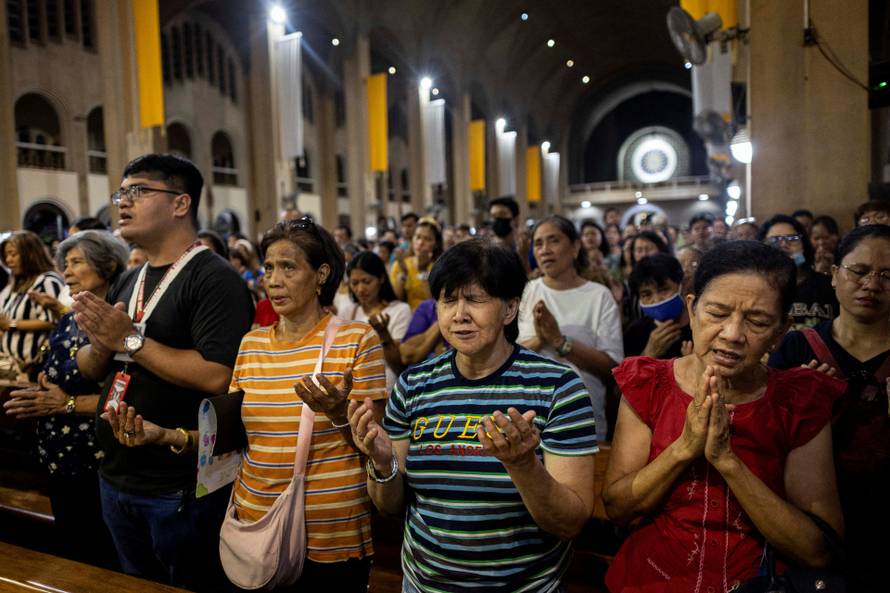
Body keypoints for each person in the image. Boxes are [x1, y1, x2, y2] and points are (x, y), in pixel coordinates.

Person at [347, 239, 598, 592]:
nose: (459, 314)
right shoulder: (415, 384)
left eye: (475, 299)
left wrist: (523, 466)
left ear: (510, 309)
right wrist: (382, 461)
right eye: (448, 300)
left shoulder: (557, 387)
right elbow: (389, 505)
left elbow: (570, 522)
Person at [603, 240, 846, 592]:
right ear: (692, 308)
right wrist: (685, 448)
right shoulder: (648, 384)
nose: (732, 334)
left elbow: (817, 551)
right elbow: (617, 508)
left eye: (757, 321)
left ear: (781, 331)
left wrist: (727, 461)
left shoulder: (798, 401)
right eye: (717, 313)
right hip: (651, 578)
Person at [71, 153, 254, 592]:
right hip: (115, 473)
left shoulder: (214, 279)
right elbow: (90, 369)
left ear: (180, 204)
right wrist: (100, 340)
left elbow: (217, 375)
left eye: (138, 191)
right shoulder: (129, 278)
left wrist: (129, 340)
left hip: (177, 485)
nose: (122, 202)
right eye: (122, 192)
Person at [228, 218, 387, 591]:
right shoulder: (251, 343)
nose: (274, 279)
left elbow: (374, 446)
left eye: (288, 266)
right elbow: (237, 434)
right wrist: (170, 436)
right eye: (268, 267)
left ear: (321, 274)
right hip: (256, 520)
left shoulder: (357, 340)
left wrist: (337, 414)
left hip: (329, 532)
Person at [768, 224, 890, 593]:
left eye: (887, 275)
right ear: (834, 275)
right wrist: (796, 401)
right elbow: (763, 438)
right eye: (860, 271)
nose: (872, 284)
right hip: (809, 528)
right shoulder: (795, 349)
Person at [5, 230, 127, 569]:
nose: (67, 272)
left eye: (76, 263)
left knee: (101, 556)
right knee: (76, 550)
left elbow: (119, 390)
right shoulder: (70, 317)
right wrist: (42, 383)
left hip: (94, 457)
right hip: (59, 457)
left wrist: (65, 402)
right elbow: (56, 367)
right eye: (65, 264)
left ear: (107, 267)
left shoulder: (117, 322)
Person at [518, 215, 623, 441]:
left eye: (553, 240)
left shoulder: (598, 296)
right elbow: (507, 353)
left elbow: (613, 368)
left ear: (575, 247)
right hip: (526, 420)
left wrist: (560, 342)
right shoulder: (526, 292)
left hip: (581, 417)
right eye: (538, 243)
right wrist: (539, 339)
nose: (545, 250)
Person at [341, 251, 411, 389]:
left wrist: (384, 334)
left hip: (387, 391)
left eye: (366, 282)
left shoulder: (399, 310)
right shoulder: (348, 312)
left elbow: (399, 366)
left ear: (381, 279)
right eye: (354, 283)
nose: (360, 289)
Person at [0, 230, 64, 379]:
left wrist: (12, 324)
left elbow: (51, 321)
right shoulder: (17, 282)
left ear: (30, 254)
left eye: (13, 254)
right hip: (13, 364)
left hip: (37, 367)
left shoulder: (47, 281)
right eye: (6, 255)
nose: (9, 260)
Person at [760, 214, 837, 329]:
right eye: (775, 240)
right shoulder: (755, 288)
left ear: (804, 245)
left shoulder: (829, 286)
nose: (784, 244)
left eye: (792, 238)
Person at [623, 254, 692, 359]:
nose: (656, 299)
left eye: (663, 289)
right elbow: (626, 374)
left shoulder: (701, 326)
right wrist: (648, 354)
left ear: (681, 286)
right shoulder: (634, 334)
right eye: (647, 294)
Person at [390, 217, 443, 310]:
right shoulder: (401, 264)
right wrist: (403, 274)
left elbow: (436, 305)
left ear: (435, 244)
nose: (421, 242)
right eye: (418, 237)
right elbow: (395, 301)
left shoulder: (439, 268)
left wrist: (424, 270)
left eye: (427, 239)